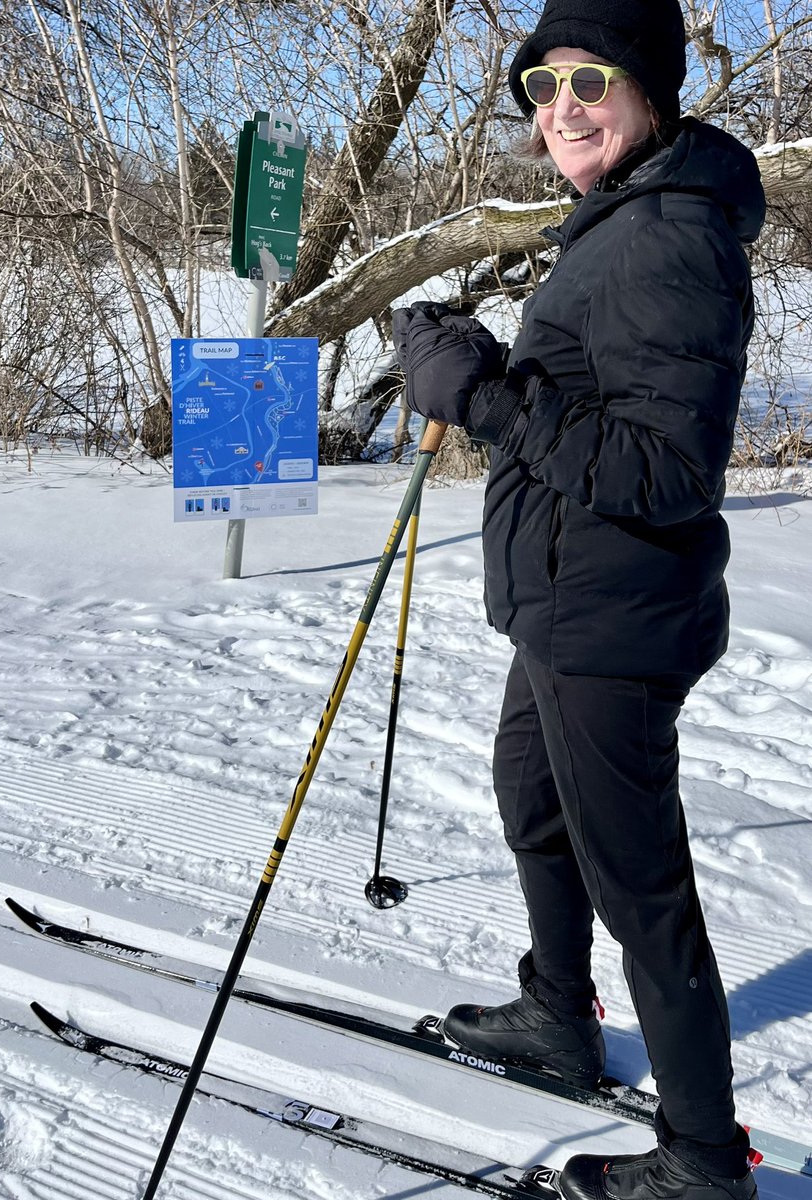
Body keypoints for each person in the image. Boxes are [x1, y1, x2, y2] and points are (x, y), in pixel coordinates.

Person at [391, 2, 766, 1199]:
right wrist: (470, 354)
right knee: (527, 793)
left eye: (589, 81)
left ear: (650, 92)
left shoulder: (672, 238)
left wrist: (489, 397)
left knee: (639, 886)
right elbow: (594, 389)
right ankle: (559, 1013)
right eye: (540, 87)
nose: (562, 108)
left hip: (613, 615)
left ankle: (704, 1162)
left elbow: (663, 473)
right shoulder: (620, 216)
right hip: (566, 598)